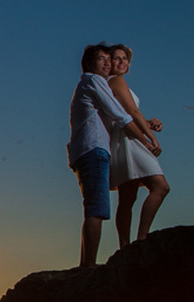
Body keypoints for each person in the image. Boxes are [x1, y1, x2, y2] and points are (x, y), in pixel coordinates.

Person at [66, 44, 154, 269]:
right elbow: (121, 116)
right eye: (101, 59)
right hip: (93, 149)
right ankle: (89, 266)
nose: (107, 63)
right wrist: (146, 141)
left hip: (87, 150)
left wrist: (148, 124)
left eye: (109, 59)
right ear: (89, 63)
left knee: (94, 208)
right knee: (96, 209)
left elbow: (117, 117)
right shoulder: (94, 81)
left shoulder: (87, 84)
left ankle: (86, 264)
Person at [107, 44, 168, 248]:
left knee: (128, 196)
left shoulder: (117, 83)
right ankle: (141, 239)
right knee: (160, 187)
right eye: (117, 58)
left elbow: (132, 113)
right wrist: (152, 139)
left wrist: (149, 122)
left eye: (125, 58)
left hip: (126, 137)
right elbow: (132, 111)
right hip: (128, 140)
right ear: (109, 62)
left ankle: (125, 246)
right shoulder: (116, 81)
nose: (123, 62)